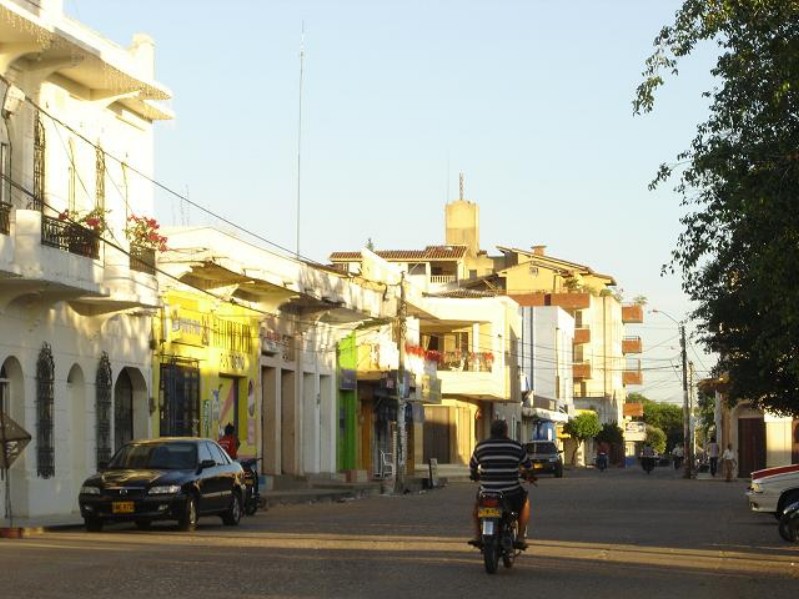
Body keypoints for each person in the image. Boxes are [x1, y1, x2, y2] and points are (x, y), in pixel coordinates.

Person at [468, 419, 535, 550]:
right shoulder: (516, 447)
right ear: (506, 431)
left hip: (487, 492)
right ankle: (520, 537)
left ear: (491, 432)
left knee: (476, 510)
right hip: (511, 493)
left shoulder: (481, 447)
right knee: (525, 503)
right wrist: (529, 475)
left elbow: (472, 466)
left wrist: (475, 475)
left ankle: (477, 535)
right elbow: (529, 466)